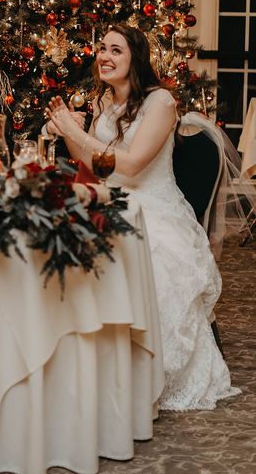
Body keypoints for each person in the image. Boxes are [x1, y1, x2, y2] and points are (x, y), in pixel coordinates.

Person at [45, 23, 240, 411]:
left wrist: (73, 130)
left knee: (143, 259)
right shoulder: (103, 103)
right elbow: (92, 161)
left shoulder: (161, 102)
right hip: (107, 198)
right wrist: (68, 130)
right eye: (102, 48)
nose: (104, 55)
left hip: (155, 208)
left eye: (116, 50)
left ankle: (140, 375)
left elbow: (132, 166)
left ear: (135, 57)